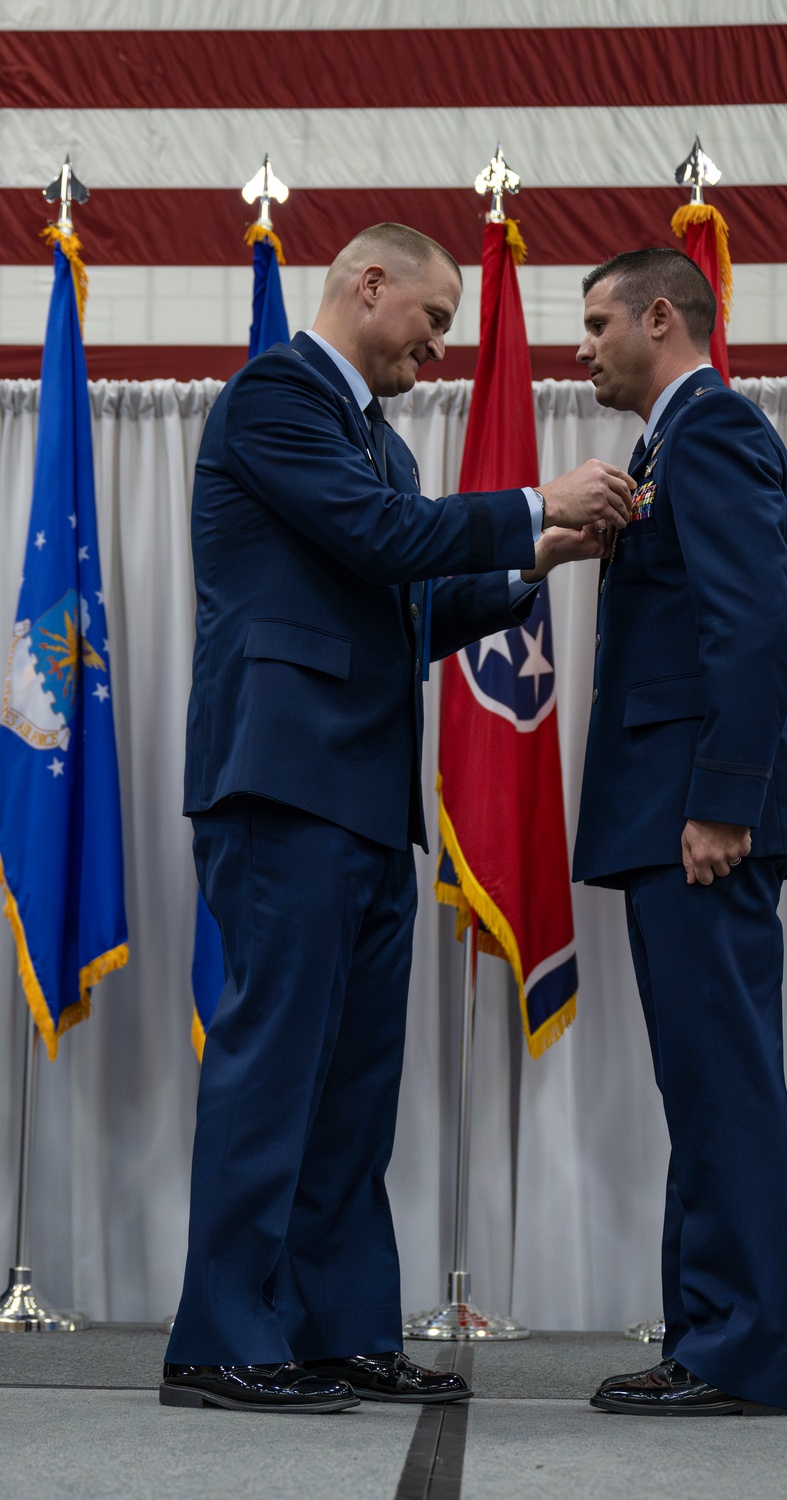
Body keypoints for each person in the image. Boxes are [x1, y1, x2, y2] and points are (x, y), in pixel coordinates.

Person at [162, 223, 634, 1413]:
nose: (437, 349)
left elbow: (404, 611)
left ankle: (335, 1330)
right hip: (281, 784)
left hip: (368, 799)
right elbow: (378, 542)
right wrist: (531, 494)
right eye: (430, 321)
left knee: (354, 1084)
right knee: (275, 1067)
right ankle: (219, 1340)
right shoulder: (273, 398)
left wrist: (540, 555)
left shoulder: (377, 441)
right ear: (366, 286)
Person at [572, 248, 787, 1417]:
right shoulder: (664, 447)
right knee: (701, 1081)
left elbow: (753, 625)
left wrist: (722, 799)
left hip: (701, 818)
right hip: (674, 814)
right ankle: (708, 1335)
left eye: (594, 321)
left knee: (720, 1080)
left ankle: (733, 1352)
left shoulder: (710, 429)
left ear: (658, 316)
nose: (581, 346)